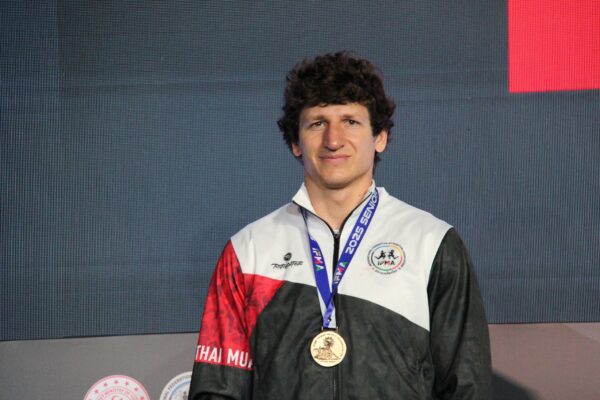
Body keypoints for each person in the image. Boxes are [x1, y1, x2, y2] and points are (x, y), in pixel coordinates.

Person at [188, 52, 491, 399]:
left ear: (380, 136)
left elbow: (467, 386)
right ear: (295, 142)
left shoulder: (431, 242)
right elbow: (217, 391)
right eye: (317, 123)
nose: (333, 140)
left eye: (350, 121)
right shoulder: (249, 251)